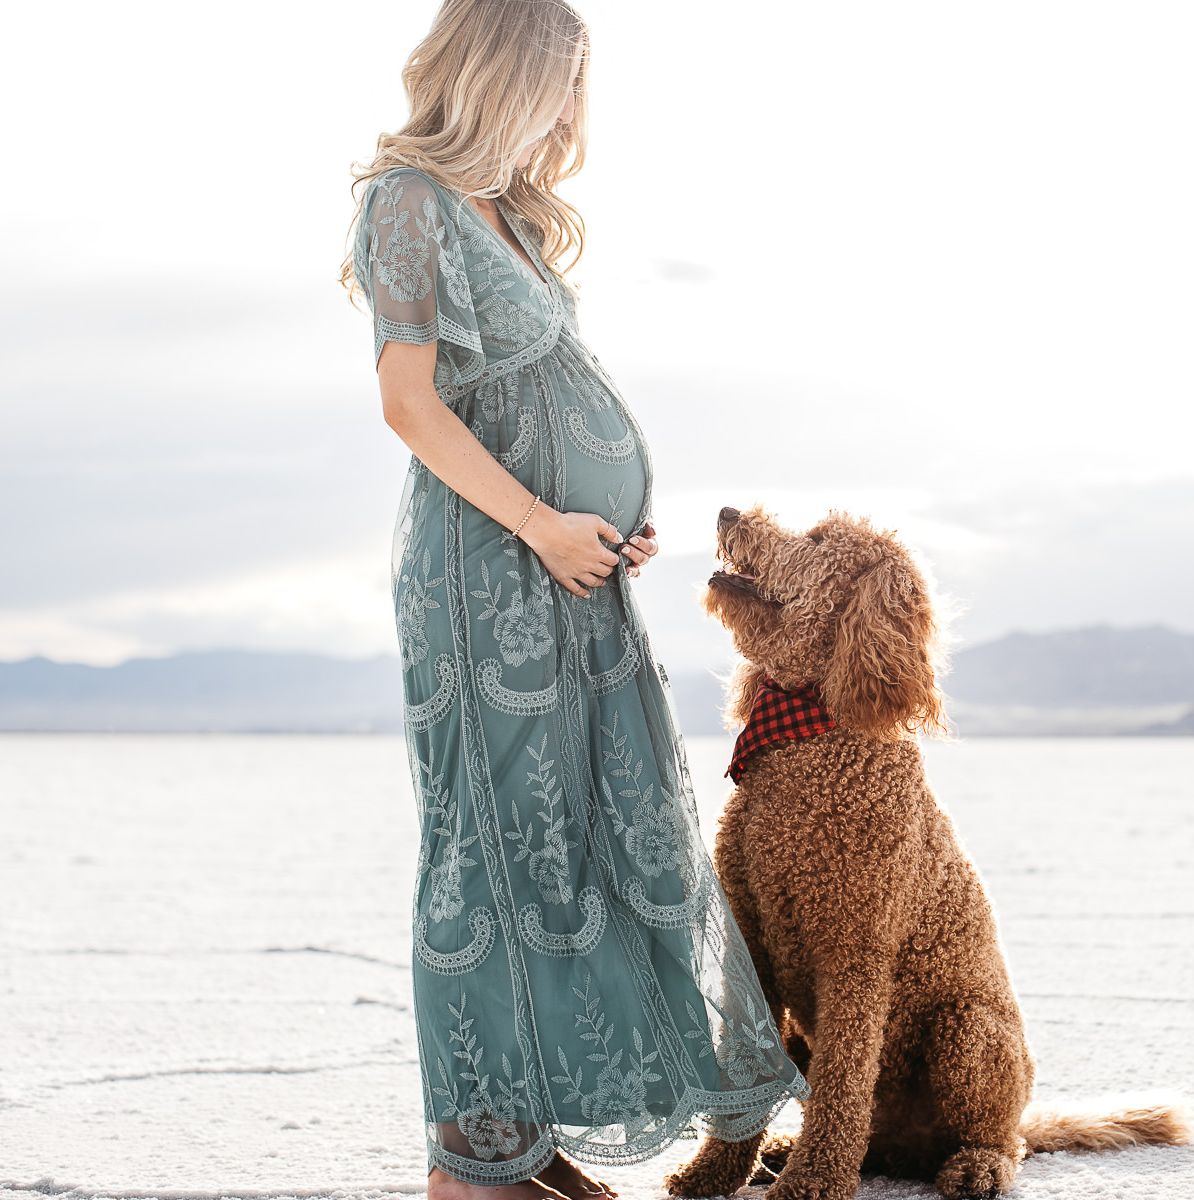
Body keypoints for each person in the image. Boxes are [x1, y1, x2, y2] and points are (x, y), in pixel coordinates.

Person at [341, 4, 807, 1198]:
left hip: (566, 570)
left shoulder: (515, 215)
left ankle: (530, 1143)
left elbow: (535, 395)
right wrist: (544, 520)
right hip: (485, 574)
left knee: (579, 841)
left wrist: (604, 518)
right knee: (489, 854)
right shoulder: (408, 199)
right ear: (502, 72)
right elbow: (409, 405)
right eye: (560, 83)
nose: (570, 111)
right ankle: (477, 1159)